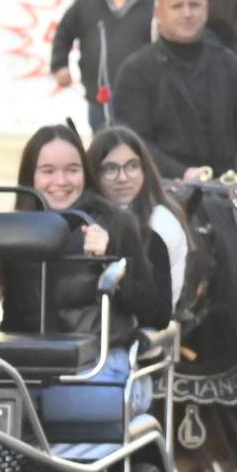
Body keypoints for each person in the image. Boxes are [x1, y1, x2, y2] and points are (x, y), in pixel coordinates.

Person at [0, 125, 160, 348]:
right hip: (33, 361)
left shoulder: (115, 221)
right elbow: (11, 320)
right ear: (31, 177)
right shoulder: (17, 230)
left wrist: (110, 261)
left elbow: (149, 308)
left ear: (85, 173)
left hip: (98, 361)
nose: (61, 181)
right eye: (48, 171)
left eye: (72, 169)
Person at [112, 0, 237, 181]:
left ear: (206, 10)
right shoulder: (136, 71)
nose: (187, 13)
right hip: (165, 189)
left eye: (194, 5)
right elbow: (134, 142)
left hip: (231, 187)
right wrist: (184, 173)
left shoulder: (228, 64)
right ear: (158, 13)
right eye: (177, 6)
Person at [49, 0, 154, 131]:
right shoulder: (87, 5)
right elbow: (63, 33)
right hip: (100, 99)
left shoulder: (151, 8)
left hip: (140, 102)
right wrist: (59, 65)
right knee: (102, 152)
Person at [89, 126, 180, 326]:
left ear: (144, 169)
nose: (123, 178)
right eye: (110, 169)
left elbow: (159, 312)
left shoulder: (160, 224)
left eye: (132, 166)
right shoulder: (86, 220)